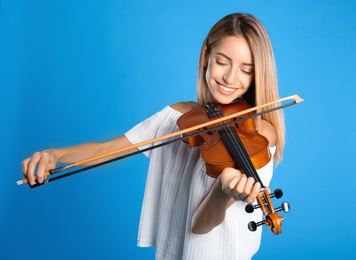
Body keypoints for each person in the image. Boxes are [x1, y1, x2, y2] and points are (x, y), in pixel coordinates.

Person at [22, 13, 285, 260]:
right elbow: (108, 149)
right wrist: (55, 155)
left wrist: (222, 190)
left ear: (257, 75)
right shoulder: (179, 118)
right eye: (222, 61)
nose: (230, 77)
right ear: (206, 55)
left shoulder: (259, 135)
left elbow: (201, 225)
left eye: (246, 70)